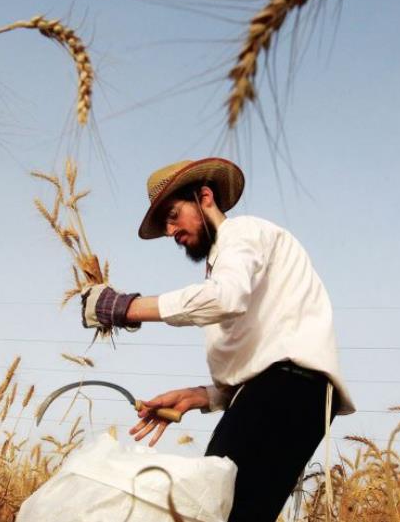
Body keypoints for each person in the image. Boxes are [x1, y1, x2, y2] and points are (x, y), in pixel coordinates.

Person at [81, 157, 355, 521]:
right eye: (165, 223)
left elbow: (226, 299)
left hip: (286, 390)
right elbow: (263, 351)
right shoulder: (227, 262)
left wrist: (126, 308)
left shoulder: (242, 233)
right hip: (289, 393)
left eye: (174, 214)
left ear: (204, 197)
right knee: (237, 514)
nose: (169, 230)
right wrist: (201, 396)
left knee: (211, 509)